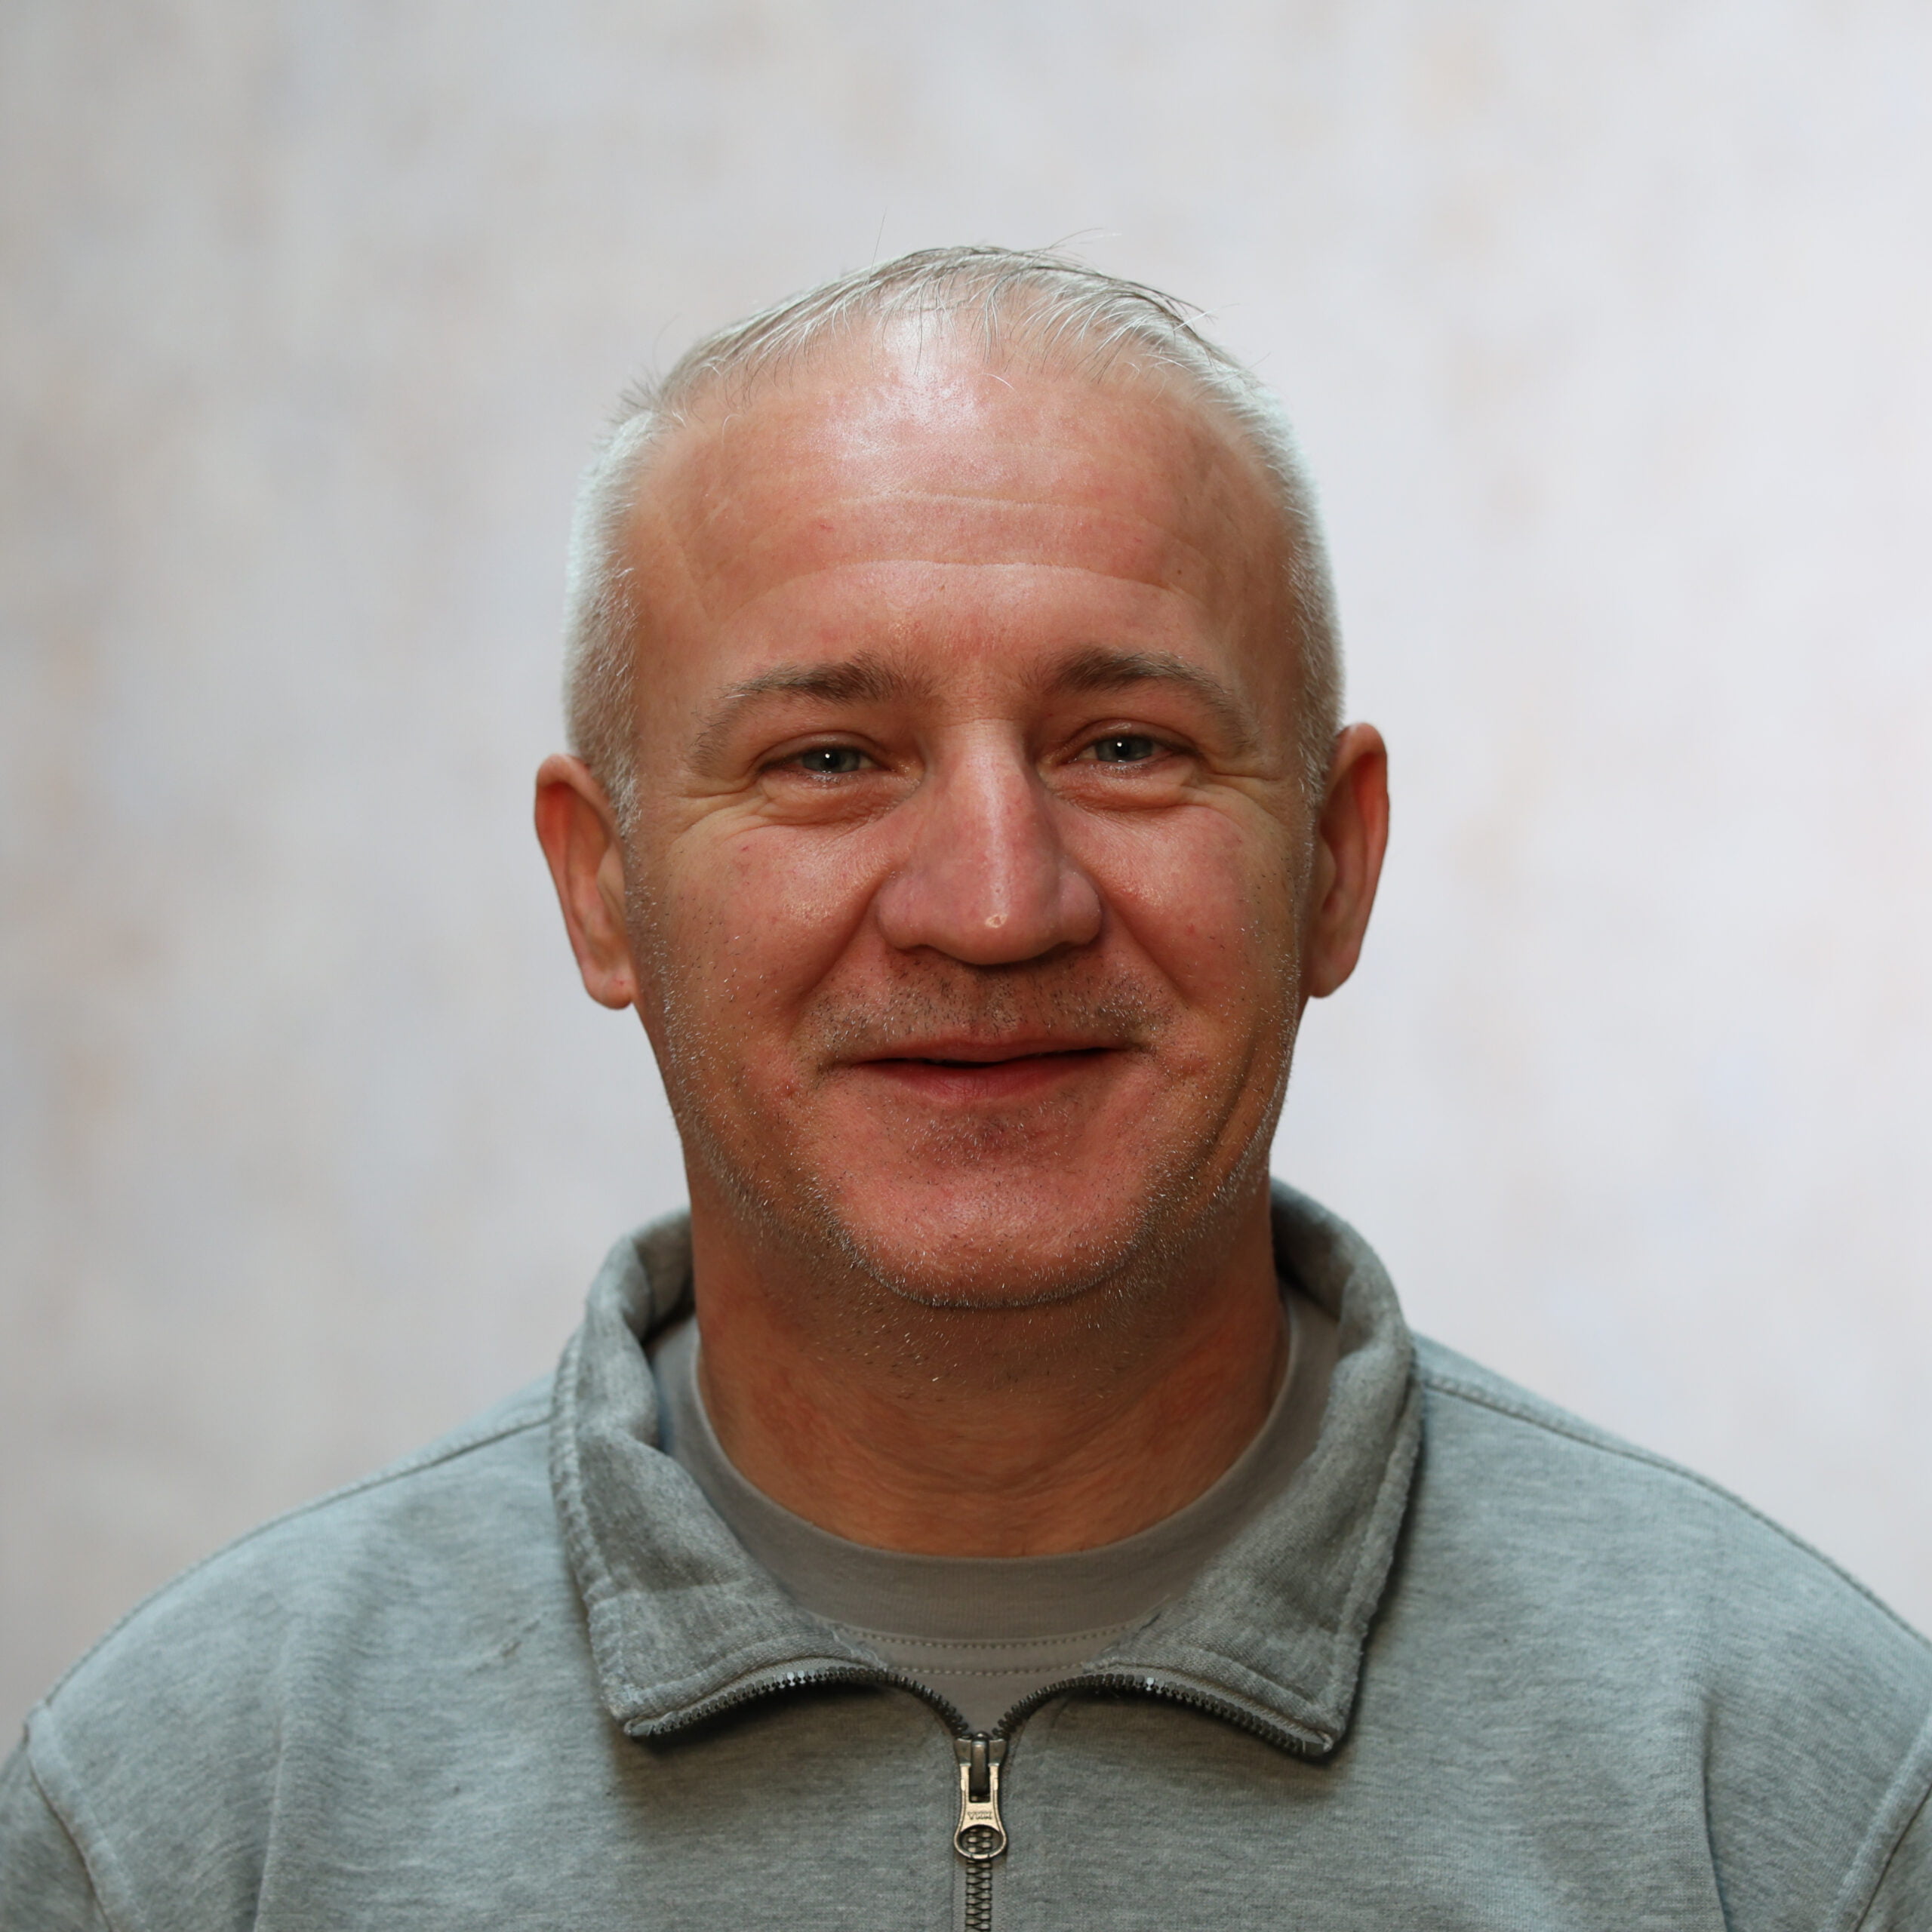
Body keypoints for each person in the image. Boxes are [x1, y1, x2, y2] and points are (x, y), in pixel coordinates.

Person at [3, 246, 1927, 1931]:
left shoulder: (1795, 1792)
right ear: (602, 887)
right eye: (829, 758)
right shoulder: (196, 1814)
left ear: (1333, 862)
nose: (997, 903)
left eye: (1124, 743)